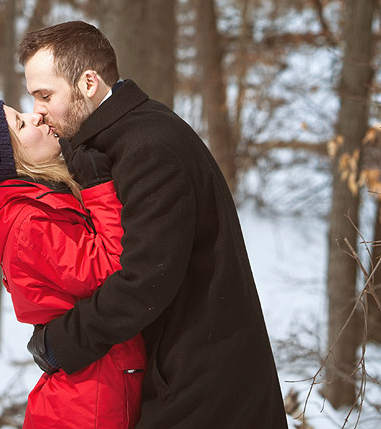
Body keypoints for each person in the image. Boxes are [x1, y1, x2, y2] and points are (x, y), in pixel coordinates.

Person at [19, 21, 288, 429]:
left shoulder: (149, 147)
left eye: (45, 94)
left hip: (205, 389)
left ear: (88, 83)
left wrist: (63, 342)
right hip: (182, 375)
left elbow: (145, 280)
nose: (37, 109)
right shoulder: (119, 142)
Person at [0, 99, 146, 429]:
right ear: (8, 162)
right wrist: (99, 184)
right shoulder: (28, 226)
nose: (35, 116)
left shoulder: (39, 201)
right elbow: (113, 271)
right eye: (20, 124)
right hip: (88, 405)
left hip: (99, 383)